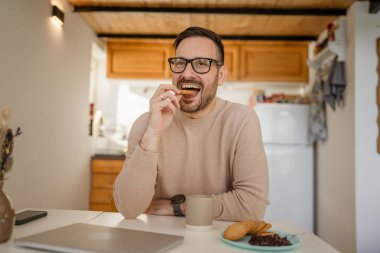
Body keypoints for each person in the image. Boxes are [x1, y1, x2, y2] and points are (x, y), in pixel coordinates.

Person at [113, 27, 269, 221]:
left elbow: (252, 207)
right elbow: (128, 209)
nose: (187, 73)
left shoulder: (241, 120)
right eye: (180, 63)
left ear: (220, 75)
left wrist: (177, 207)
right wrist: (153, 134)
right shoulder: (147, 124)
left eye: (202, 63)